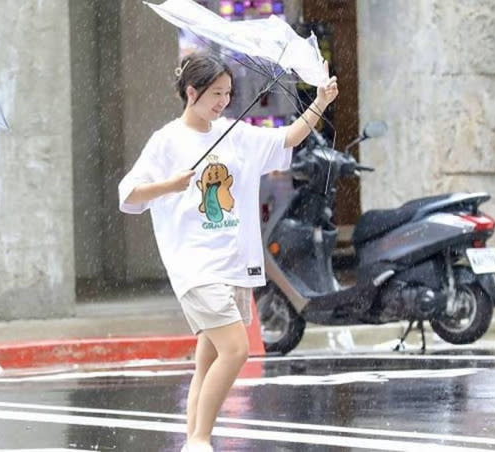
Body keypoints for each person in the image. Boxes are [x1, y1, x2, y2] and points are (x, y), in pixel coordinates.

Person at [117, 52, 337, 452]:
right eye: (216, 93)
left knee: (208, 360)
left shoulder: (234, 134)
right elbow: (128, 195)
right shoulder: (166, 141)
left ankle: (191, 441)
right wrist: (169, 185)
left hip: (234, 265)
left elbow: (287, 137)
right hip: (195, 267)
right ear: (191, 92)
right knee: (236, 350)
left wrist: (320, 101)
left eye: (228, 93)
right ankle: (201, 438)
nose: (223, 102)